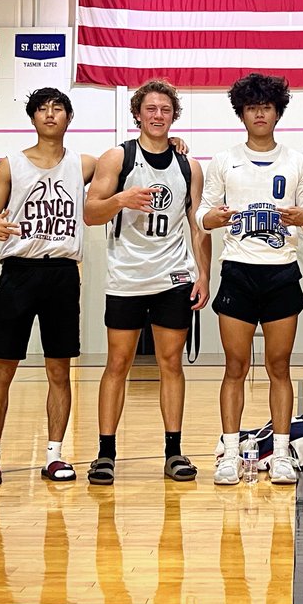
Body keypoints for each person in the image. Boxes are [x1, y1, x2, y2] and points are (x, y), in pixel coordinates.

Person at [83, 79, 210, 484]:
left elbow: (197, 226)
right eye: (150, 109)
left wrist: (204, 273)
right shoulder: (117, 158)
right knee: (117, 363)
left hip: (174, 275)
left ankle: (174, 451)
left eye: (165, 110)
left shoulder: (189, 166)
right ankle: (106, 453)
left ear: (174, 116)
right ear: (137, 113)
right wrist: (120, 199)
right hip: (127, 278)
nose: (158, 115)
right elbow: (90, 213)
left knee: (170, 363)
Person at [198, 73, 303, 486]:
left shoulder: (297, 161)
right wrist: (210, 218)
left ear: (277, 111)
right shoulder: (223, 160)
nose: (259, 114)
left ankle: (282, 453)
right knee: (235, 366)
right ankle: (230, 452)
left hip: (282, 273)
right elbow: (203, 213)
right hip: (238, 271)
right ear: (242, 114)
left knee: (279, 366)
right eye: (252, 108)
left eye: (266, 107)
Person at [0, 88, 96, 487]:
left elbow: (130, 158)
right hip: (19, 272)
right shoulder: (10, 165)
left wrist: (177, 142)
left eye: (57, 108)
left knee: (60, 369)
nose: (49, 114)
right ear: (32, 118)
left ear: (68, 117)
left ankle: (55, 456)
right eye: (42, 109)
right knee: (2, 367)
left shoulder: (83, 164)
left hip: (62, 272)